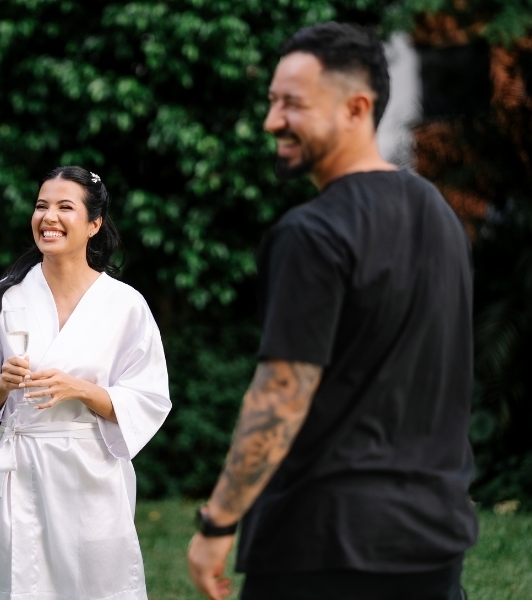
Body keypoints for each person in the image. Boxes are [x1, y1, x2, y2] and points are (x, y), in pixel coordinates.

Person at [187, 22, 478, 600]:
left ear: (356, 108)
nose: (272, 121)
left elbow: (281, 392)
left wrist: (218, 522)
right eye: (272, 101)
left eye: (292, 104)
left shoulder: (312, 234)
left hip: (321, 544)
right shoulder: (438, 212)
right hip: (432, 540)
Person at [0, 165, 171, 600]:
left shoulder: (125, 305)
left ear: (94, 224)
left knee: (95, 587)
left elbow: (148, 397)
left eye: (65, 207)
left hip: (90, 475)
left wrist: (80, 389)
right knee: (13, 585)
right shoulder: (2, 298)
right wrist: (1, 385)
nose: (48, 217)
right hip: (15, 469)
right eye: (41, 206)